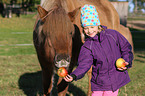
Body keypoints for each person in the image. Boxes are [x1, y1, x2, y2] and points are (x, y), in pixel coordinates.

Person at [64, 4, 133, 96]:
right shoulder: (87, 46)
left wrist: (126, 61)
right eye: (86, 28)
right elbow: (84, 64)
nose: (89, 31)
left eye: (92, 27)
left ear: (98, 24)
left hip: (114, 81)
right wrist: (74, 75)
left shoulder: (112, 35)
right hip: (99, 82)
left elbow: (126, 48)